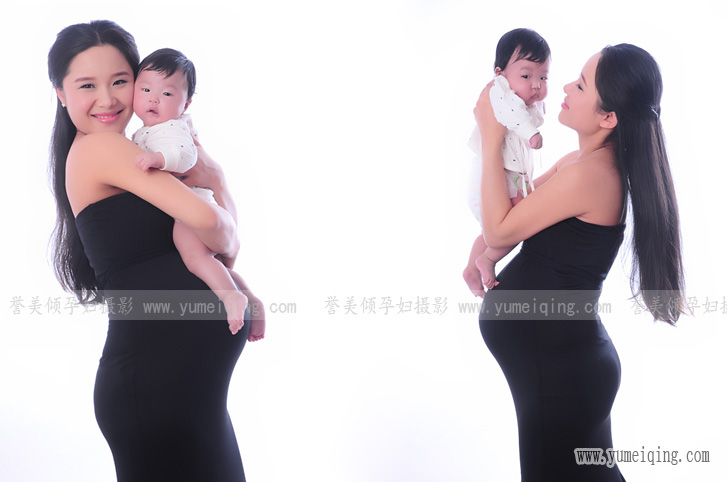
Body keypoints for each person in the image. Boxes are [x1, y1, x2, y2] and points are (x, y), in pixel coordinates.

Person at [48, 20, 264, 481]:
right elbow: (216, 228)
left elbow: (219, 249)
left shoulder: (135, 151)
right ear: (61, 93)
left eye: (119, 81)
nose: (107, 99)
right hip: (154, 395)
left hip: (185, 398)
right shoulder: (100, 149)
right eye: (87, 85)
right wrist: (218, 180)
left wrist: (220, 191)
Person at [474, 43, 686, 481]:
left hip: (561, 375)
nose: (565, 87)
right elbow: (513, 216)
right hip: (559, 369)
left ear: (608, 118)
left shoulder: (592, 176)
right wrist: (481, 253)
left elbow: (500, 230)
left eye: (582, 85)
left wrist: (492, 134)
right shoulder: (580, 163)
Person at [131, 47, 263, 340]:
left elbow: (185, 156)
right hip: (192, 207)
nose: (154, 98)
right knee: (206, 262)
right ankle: (248, 297)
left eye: (167, 93)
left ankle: (231, 296)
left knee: (193, 255)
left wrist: (158, 160)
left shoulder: (173, 128)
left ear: (186, 103)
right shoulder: (147, 131)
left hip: (192, 208)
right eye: (146, 89)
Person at [463, 28, 550, 296]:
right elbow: (512, 114)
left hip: (503, 175)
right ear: (500, 73)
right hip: (491, 177)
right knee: (519, 221)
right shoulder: (499, 92)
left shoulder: (522, 98)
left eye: (543, 77)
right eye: (526, 76)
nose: (536, 84)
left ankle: (473, 268)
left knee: (499, 228)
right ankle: (487, 260)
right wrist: (531, 133)